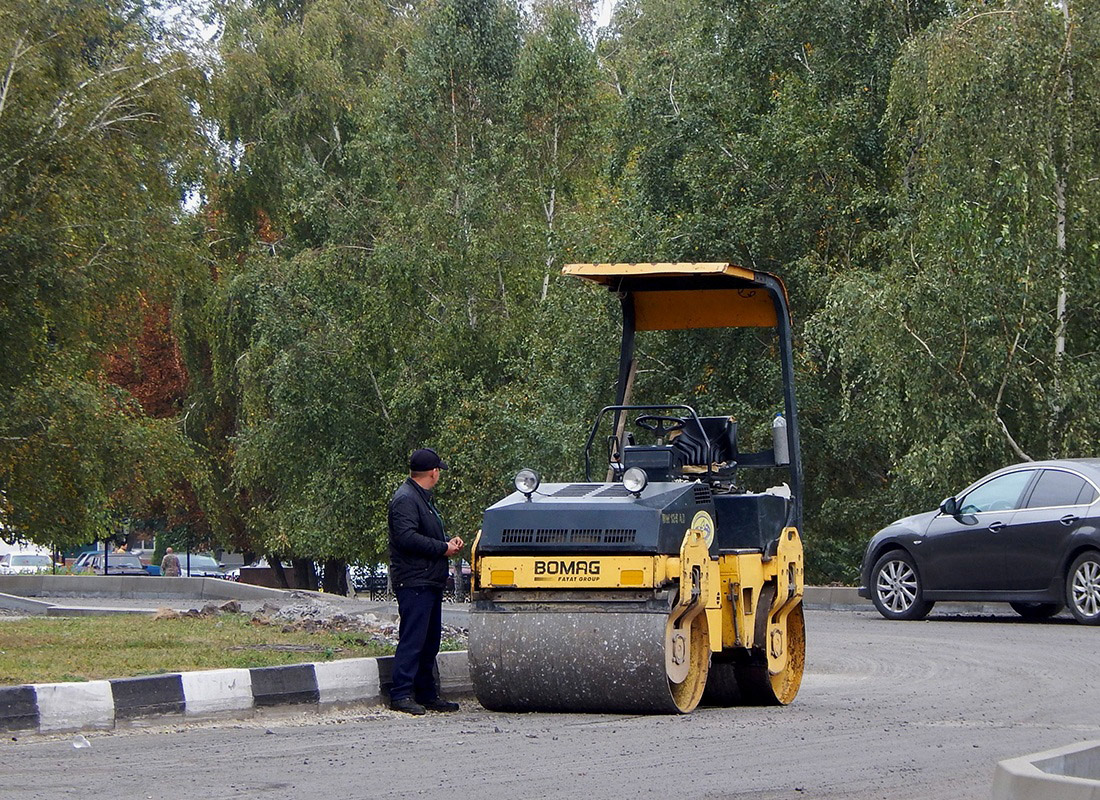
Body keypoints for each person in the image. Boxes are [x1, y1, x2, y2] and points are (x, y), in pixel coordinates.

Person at [387, 447, 464, 715]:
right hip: (414, 581)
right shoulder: (406, 499)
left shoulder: (421, 498)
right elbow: (406, 538)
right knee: (413, 638)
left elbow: (422, 534)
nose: (439, 475)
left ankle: (426, 693)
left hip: (428, 580)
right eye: (438, 471)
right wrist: (442, 548)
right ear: (433, 472)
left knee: (430, 640)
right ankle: (401, 693)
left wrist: (446, 543)